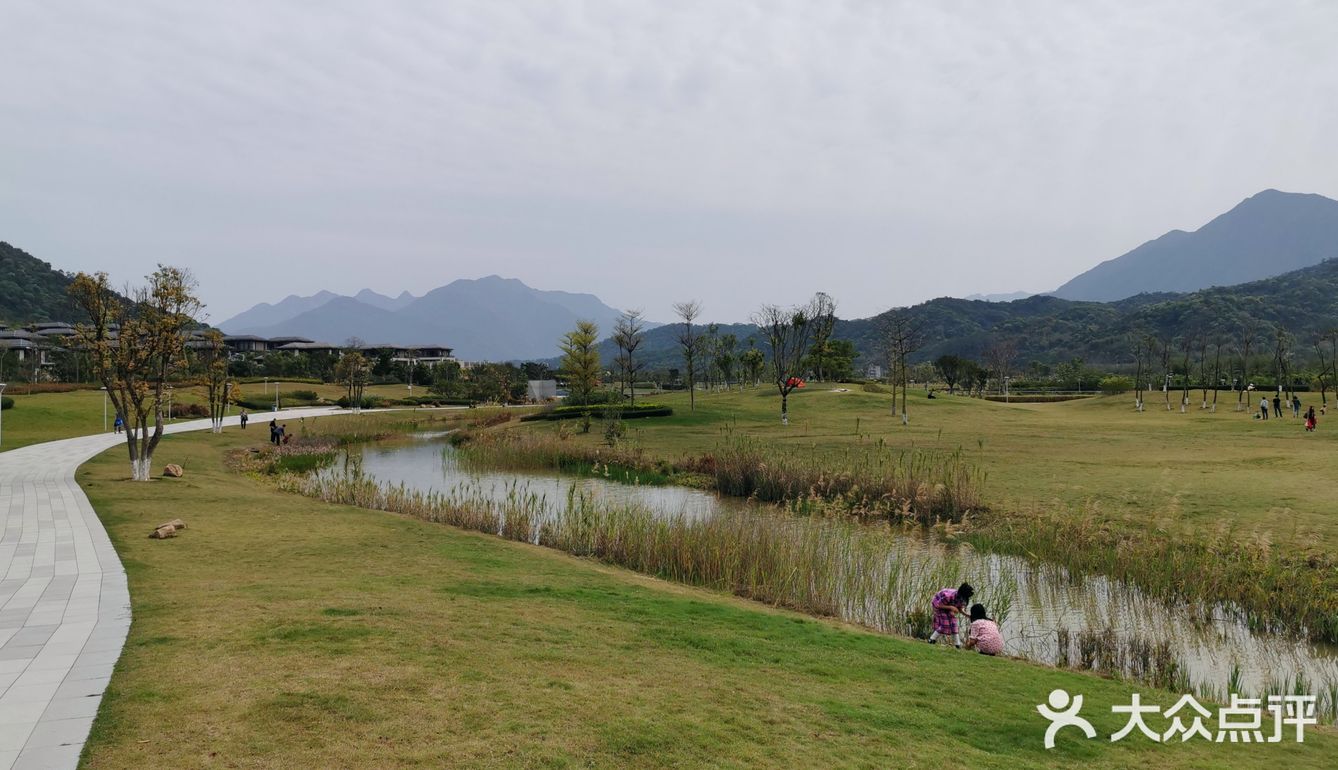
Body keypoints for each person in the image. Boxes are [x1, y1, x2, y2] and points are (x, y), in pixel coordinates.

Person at [927, 582, 973, 647]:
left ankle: (958, 644)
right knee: (945, 624)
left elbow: (959, 609)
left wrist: (967, 615)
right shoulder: (948, 596)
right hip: (939, 604)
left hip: (948, 606)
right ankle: (931, 639)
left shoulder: (962, 598)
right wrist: (951, 608)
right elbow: (939, 605)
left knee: (954, 624)